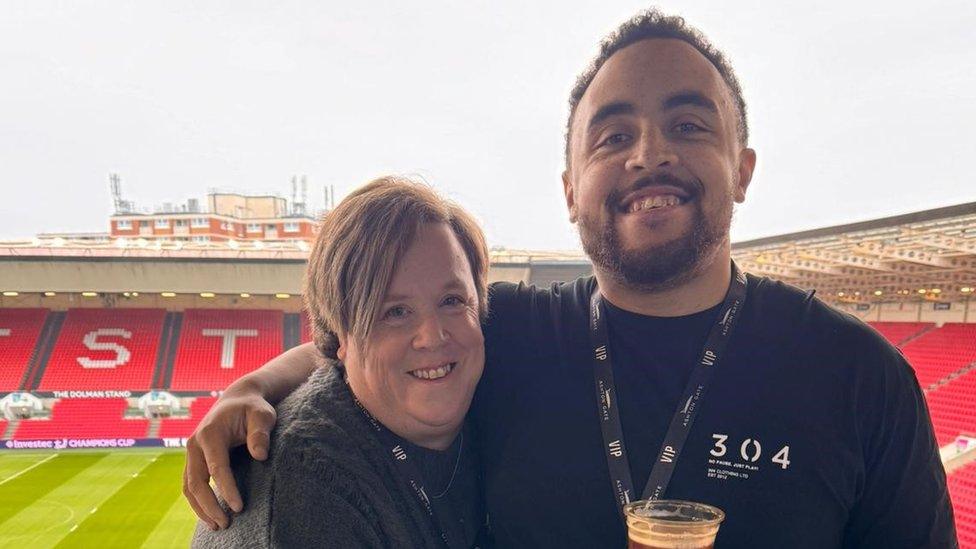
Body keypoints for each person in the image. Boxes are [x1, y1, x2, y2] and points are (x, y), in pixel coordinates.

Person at [183, 10, 958, 548]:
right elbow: (364, 343)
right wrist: (249, 387)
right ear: (568, 189)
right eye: (612, 134)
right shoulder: (506, 334)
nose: (648, 152)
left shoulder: (862, 379)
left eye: (689, 124)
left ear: (743, 168)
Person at [191, 176, 491, 548]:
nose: (433, 336)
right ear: (340, 337)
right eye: (395, 312)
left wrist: (252, 385)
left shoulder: (500, 353)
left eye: (452, 301)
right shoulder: (306, 495)